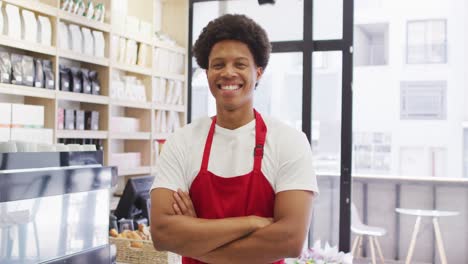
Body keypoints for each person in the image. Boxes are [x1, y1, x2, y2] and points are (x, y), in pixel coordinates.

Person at [150, 14, 319, 264]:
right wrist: (250, 224)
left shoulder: (289, 141)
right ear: (207, 73)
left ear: (258, 72)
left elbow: (290, 241)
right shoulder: (182, 141)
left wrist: (196, 233)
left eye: (240, 64)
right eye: (218, 65)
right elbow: (163, 234)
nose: (228, 73)